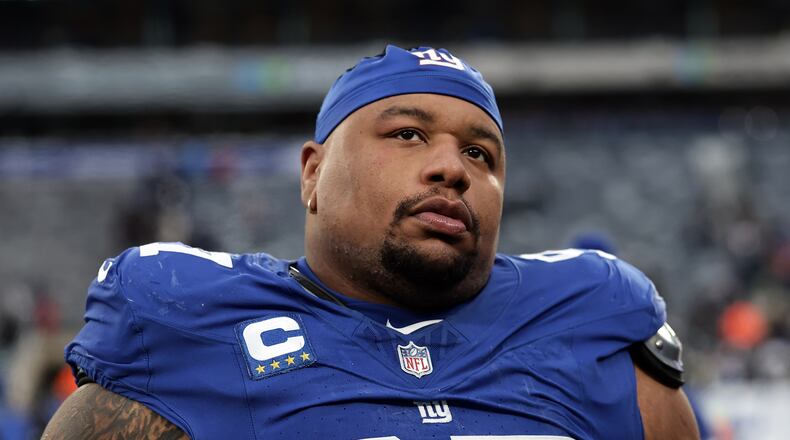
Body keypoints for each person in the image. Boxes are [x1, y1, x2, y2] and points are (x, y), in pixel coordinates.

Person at [43, 45, 699, 439]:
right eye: (408, 134)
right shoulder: (185, 328)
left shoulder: (593, 325)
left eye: (480, 151)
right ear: (312, 173)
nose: (451, 167)